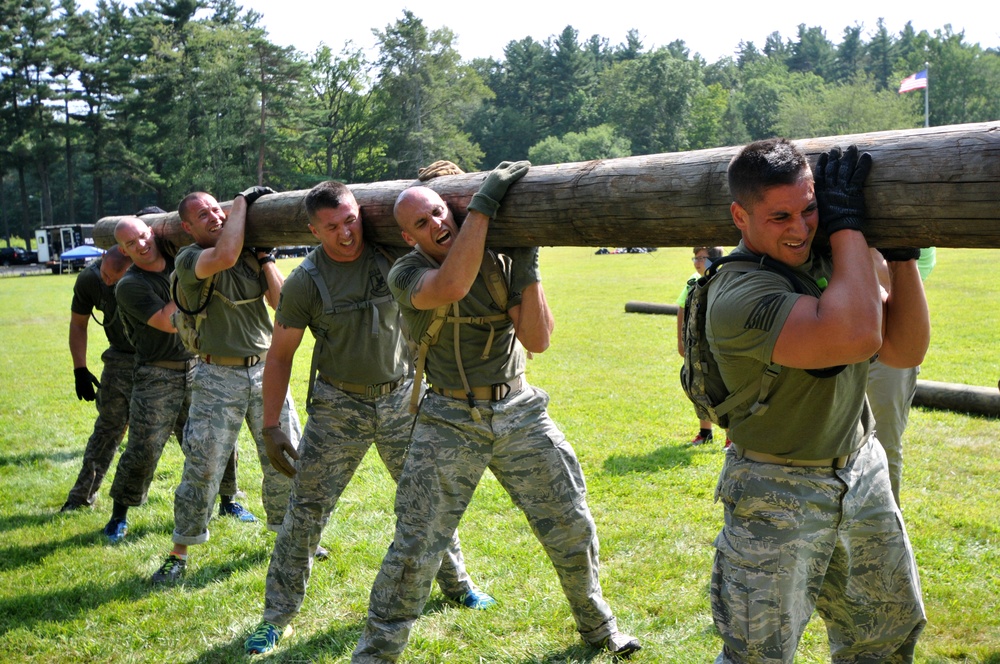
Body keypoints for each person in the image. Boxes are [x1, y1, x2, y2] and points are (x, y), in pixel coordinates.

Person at [351, 161, 641, 662]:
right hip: (448, 417)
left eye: (441, 213)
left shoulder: (500, 260)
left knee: (571, 524)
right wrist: (485, 203)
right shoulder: (406, 271)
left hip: (519, 409)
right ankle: (376, 654)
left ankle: (600, 627)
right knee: (415, 547)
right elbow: (450, 288)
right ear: (406, 235)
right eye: (422, 223)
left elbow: (538, 340)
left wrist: (525, 258)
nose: (437, 225)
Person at [243, 181, 493, 655]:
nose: (345, 234)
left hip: (402, 398)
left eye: (351, 220)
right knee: (305, 512)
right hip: (340, 407)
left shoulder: (390, 257)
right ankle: (276, 617)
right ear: (313, 230)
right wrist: (272, 425)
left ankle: (458, 586)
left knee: (426, 502)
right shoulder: (304, 282)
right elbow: (279, 356)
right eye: (331, 227)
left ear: (362, 213)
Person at [708, 138, 928, 661]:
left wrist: (899, 255)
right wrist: (848, 225)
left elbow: (903, 348)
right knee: (758, 654)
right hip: (777, 490)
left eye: (811, 210)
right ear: (740, 215)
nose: (801, 228)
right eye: (779, 216)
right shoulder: (738, 294)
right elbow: (855, 336)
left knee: (885, 636)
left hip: (860, 471)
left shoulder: (825, 264)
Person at [150, 188, 301, 584]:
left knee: (285, 456)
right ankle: (179, 551)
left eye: (218, 209)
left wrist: (266, 258)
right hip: (218, 376)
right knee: (203, 464)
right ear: (187, 227)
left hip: (266, 371)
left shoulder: (250, 254)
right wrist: (240, 202)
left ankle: (289, 537)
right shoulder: (189, 258)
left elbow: (282, 302)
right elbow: (225, 256)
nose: (215, 216)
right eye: (204, 215)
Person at [100, 217, 246, 542]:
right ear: (123, 250)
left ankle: (228, 501)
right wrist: (189, 279)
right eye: (130, 244)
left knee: (216, 440)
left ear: (150, 231)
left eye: (141, 236)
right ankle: (118, 516)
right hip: (157, 373)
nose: (140, 245)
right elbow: (169, 321)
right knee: (144, 448)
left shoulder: (178, 256)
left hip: (198, 365)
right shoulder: (130, 284)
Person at [60, 245, 135, 512]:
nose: (108, 282)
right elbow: (78, 323)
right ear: (102, 259)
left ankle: (227, 495)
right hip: (121, 358)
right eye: (105, 275)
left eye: (116, 278)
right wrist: (80, 369)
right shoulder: (90, 279)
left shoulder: (154, 272)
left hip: (166, 359)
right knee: (106, 430)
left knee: (193, 430)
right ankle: (80, 497)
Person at [866, 247, 935, 507]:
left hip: (889, 337)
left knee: (884, 442)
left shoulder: (912, 229)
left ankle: (885, 530)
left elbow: (901, 285)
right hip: (835, 332)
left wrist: (868, 253)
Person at [675, 245, 726, 447]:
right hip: (696, 345)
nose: (696, 262)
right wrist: (681, 342)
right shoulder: (692, 282)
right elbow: (681, 308)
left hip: (716, 345)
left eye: (701, 258)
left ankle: (731, 437)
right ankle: (705, 433)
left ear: (714, 259)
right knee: (699, 386)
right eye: (694, 258)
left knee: (721, 388)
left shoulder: (723, 279)